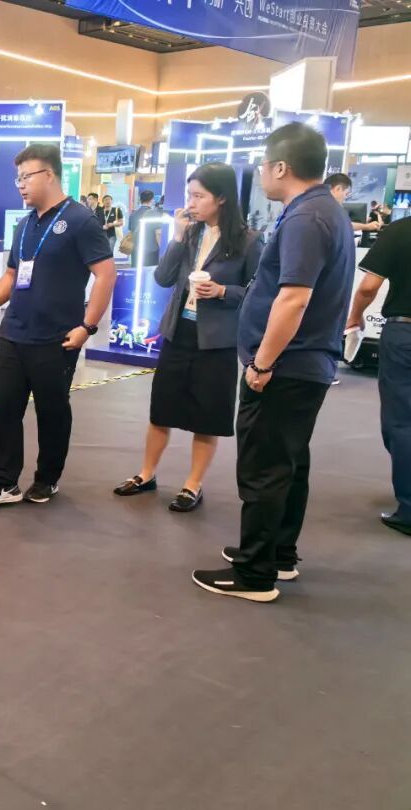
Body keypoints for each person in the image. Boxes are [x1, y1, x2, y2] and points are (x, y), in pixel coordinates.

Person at [193, 123, 356, 602]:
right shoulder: (323, 211)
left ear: (281, 167)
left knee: (264, 467)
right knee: (287, 463)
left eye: (264, 165)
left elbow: (293, 299)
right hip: (305, 365)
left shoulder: (307, 218)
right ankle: (277, 554)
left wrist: (262, 364)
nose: (261, 174)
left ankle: (255, 572)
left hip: (285, 367)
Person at [0, 143, 116, 506]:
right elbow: (12, 274)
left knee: (52, 412)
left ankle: (47, 478)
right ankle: (3, 482)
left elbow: (105, 274)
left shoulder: (81, 221)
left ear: (49, 175)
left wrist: (87, 327)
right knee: (6, 409)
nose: (20, 184)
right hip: (13, 333)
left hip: (57, 338)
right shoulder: (24, 225)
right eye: (17, 178)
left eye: (26, 177)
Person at [114, 163, 261, 511]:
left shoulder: (249, 241)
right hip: (177, 333)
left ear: (221, 198)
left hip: (216, 340)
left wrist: (223, 291)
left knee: (207, 416)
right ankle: (146, 474)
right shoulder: (189, 233)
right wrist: (177, 238)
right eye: (189, 195)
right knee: (160, 410)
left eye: (198, 196)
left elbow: (258, 293)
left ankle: (193, 485)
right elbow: (163, 278)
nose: (190, 203)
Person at [345, 216, 411, 536]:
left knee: (402, 421)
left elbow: (369, 286)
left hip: (404, 333)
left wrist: (355, 316)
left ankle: (409, 509)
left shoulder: (400, 231)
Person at [127, 189, 161, 266]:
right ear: (152, 200)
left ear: (140, 200)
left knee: (136, 271)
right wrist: (161, 248)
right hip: (151, 250)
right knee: (149, 271)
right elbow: (158, 233)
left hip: (136, 249)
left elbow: (131, 231)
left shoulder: (133, 214)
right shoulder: (155, 214)